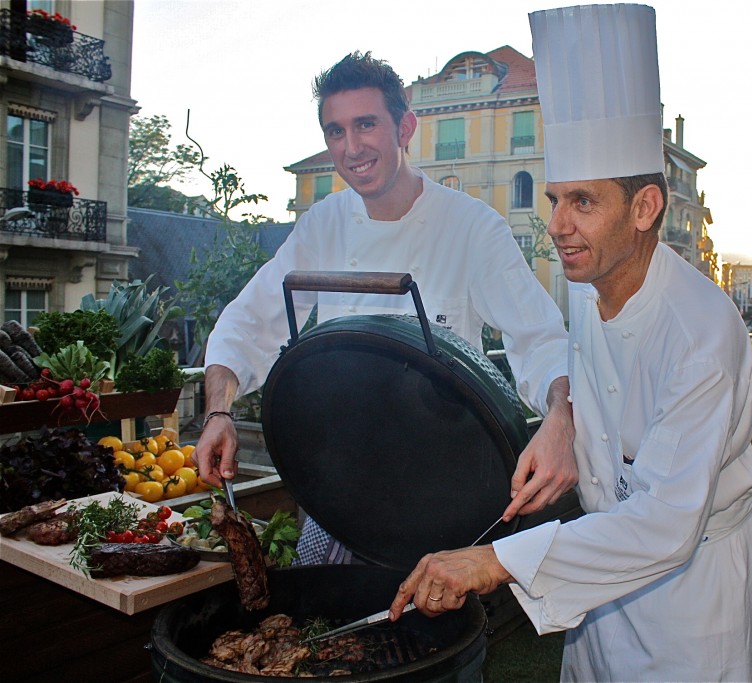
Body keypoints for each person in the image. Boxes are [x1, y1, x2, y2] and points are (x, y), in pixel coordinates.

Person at [388, 5, 752, 681]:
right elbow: (582, 370)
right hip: (596, 574)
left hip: (689, 595)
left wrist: (491, 561)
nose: (557, 223)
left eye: (582, 202)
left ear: (646, 208)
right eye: (555, 197)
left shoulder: (702, 336)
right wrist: (563, 417)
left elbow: (660, 524)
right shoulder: (588, 280)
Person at [195, 51, 577, 565]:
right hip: (339, 480)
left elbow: (541, 339)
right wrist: (218, 411)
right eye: (335, 131)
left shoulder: (471, 227)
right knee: (324, 617)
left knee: (429, 628)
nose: (351, 148)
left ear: (405, 128)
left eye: (366, 124)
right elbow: (246, 322)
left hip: (437, 484)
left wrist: (561, 418)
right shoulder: (323, 224)